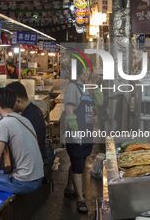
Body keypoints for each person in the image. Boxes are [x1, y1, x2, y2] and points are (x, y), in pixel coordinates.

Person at [0, 88, 44, 194]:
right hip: (38, 176)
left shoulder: (3, 123)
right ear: (14, 103)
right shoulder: (24, 119)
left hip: (24, 181)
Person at [63, 60, 96, 214]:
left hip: (87, 131)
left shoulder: (86, 88)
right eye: (84, 72)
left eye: (88, 72)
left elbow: (96, 107)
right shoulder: (72, 87)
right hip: (77, 133)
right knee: (78, 164)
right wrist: (76, 132)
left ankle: (69, 187)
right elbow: (69, 111)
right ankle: (80, 199)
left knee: (79, 161)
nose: (87, 74)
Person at [4, 81, 46, 159]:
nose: (9, 105)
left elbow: (21, 142)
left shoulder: (31, 116)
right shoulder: (31, 110)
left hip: (32, 162)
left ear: (18, 101)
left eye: (10, 102)